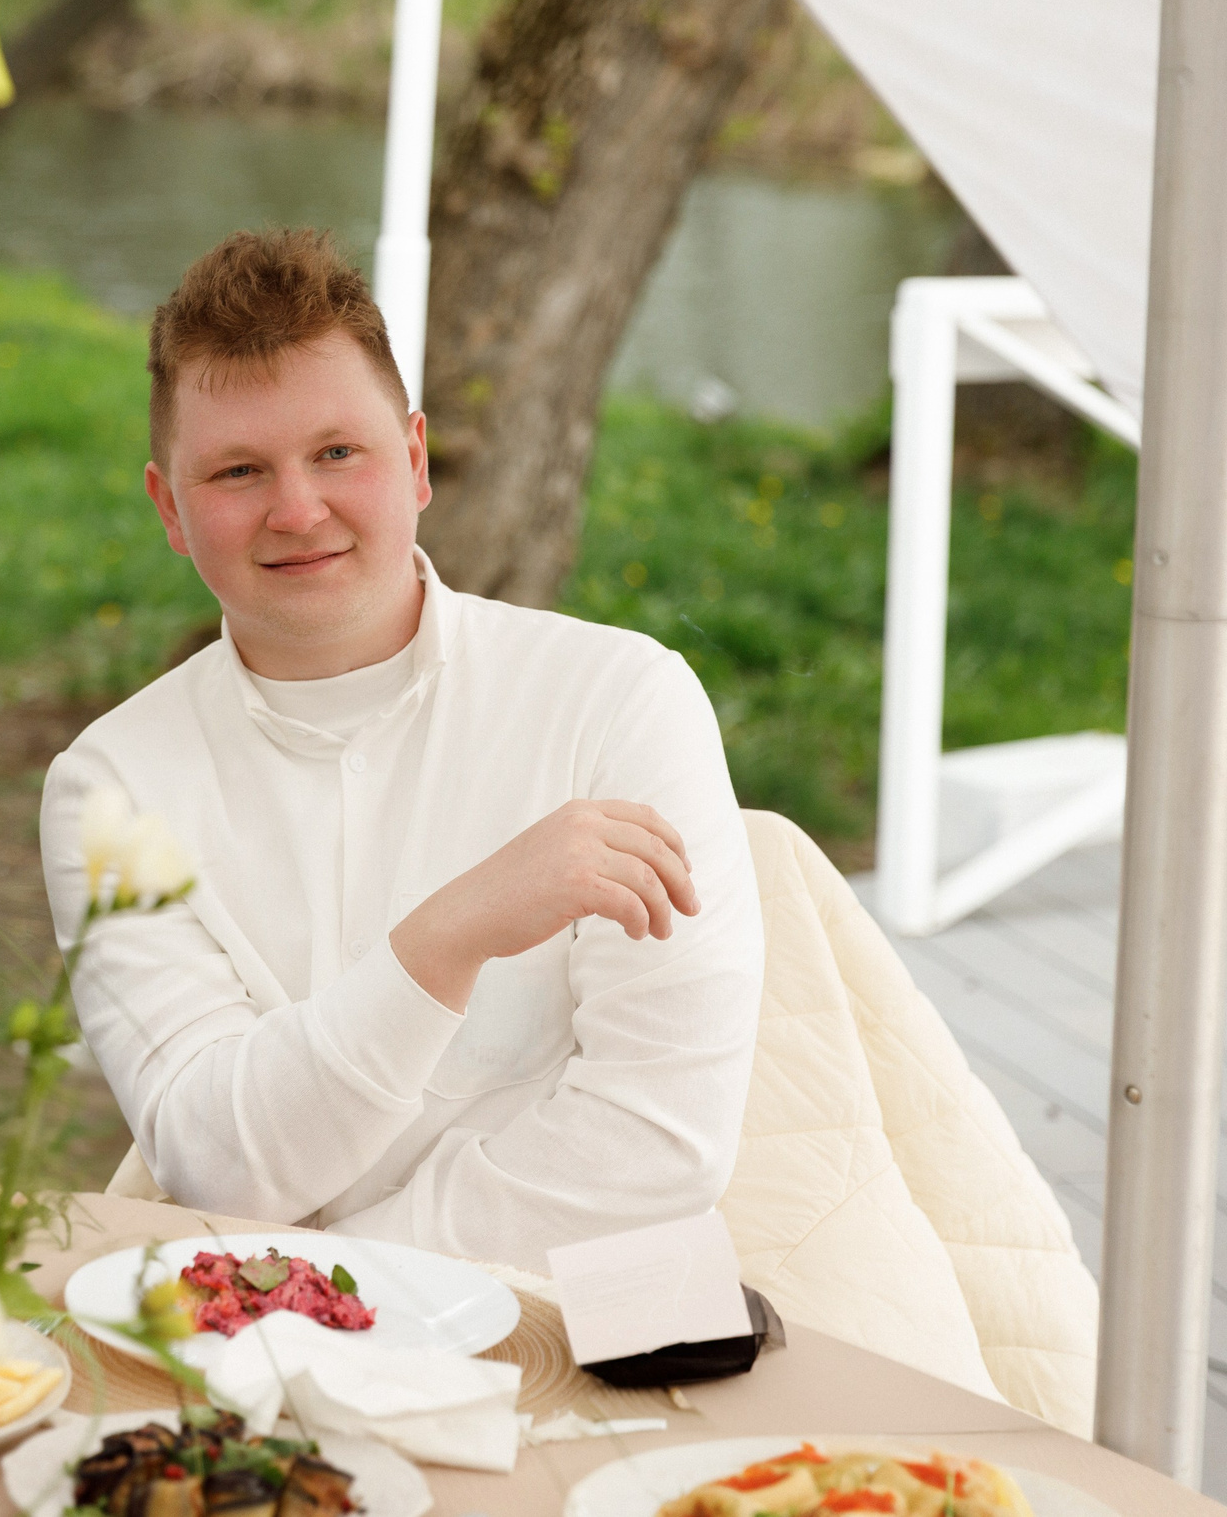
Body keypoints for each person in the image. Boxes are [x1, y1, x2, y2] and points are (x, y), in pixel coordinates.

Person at [41, 228, 763, 1271]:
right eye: (238, 471)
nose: (297, 509)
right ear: (168, 510)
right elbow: (218, 1165)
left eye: (338, 452)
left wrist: (332, 1283)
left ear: (415, 461)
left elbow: (660, 1145)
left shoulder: (619, 700)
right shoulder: (109, 788)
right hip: (267, 1369)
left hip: (585, 1339)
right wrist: (453, 933)